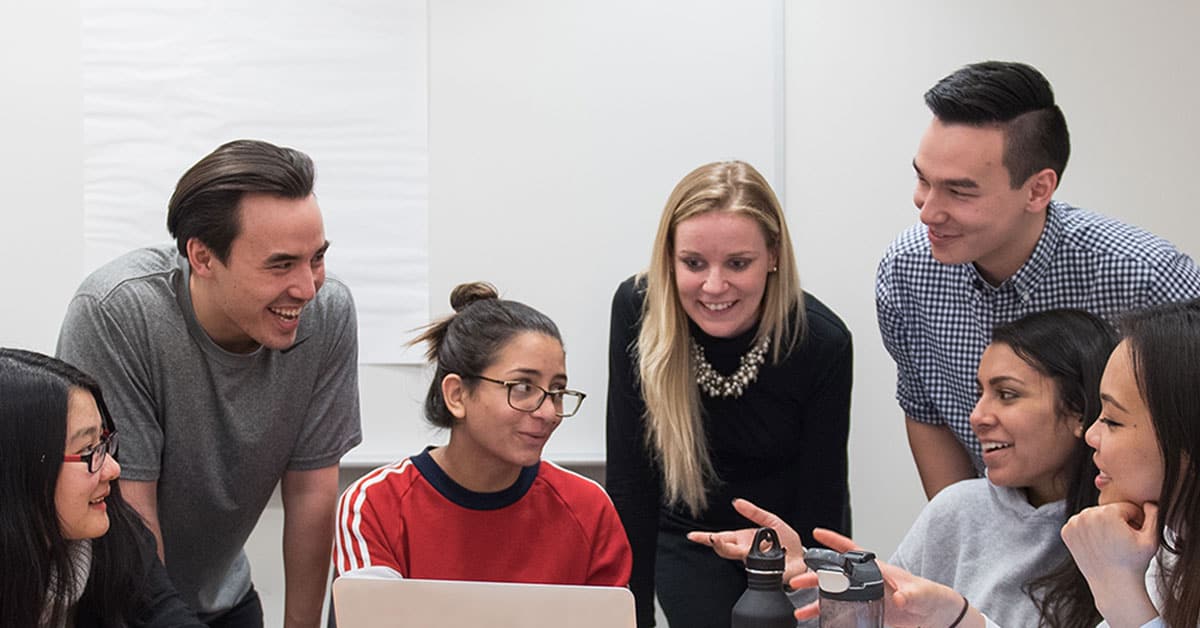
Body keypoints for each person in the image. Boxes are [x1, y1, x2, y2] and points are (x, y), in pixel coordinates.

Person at [56, 139, 362, 627]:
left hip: (225, 595)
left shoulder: (327, 314)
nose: (306, 288)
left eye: (317, 259)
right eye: (281, 264)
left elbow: (311, 494)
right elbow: (134, 519)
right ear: (202, 256)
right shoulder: (119, 312)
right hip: (121, 603)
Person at [876, 60, 1200, 499]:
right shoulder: (906, 273)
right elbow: (925, 411)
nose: (928, 211)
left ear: (1037, 190)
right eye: (922, 179)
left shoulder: (1146, 278)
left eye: (959, 191)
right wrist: (959, 544)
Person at [696, 309, 1115, 627]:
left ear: (1080, 412)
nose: (977, 416)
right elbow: (880, 616)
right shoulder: (959, 509)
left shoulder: (1128, 537)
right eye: (980, 393)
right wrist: (801, 573)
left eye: (1007, 395)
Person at [606, 161, 853, 627]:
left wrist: (811, 583)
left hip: (789, 540)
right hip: (688, 535)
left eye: (738, 263)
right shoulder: (638, 309)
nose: (714, 286)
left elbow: (824, 503)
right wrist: (631, 617)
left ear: (773, 255)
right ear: (669, 257)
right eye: (693, 263)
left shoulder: (821, 342)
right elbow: (630, 482)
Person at [335, 282, 631, 586]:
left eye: (557, 391)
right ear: (457, 395)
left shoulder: (588, 507)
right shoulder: (376, 504)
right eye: (523, 388)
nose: (548, 412)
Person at [0, 348, 205, 627]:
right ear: (19, 467)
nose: (112, 469)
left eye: (103, 443)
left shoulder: (117, 535)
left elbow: (168, 615)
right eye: (87, 450)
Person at [1060, 300, 1200, 628]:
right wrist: (960, 618)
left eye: (1112, 420)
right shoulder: (1170, 546)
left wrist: (1118, 591)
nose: (1090, 435)